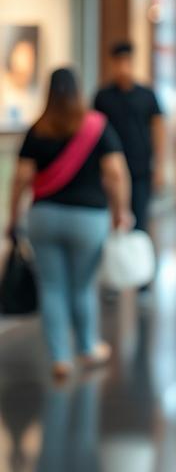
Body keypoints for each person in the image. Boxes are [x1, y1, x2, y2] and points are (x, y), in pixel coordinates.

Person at [5, 68, 132, 378]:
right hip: (88, 218)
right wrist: (121, 211)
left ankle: (60, 357)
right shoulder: (96, 127)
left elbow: (21, 177)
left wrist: (12, 216)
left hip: (44, 216)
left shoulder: (38, 129)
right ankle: (88, 347)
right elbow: (115, 174)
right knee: (82, 286)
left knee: (51, 287)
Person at [93, 41, 166, 243]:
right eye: (118, 62)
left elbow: (159, 128)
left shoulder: (146, 95)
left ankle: (138, 265)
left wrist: (159, 165)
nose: (122, 67)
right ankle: (116, 265)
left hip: (140, 167)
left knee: (140, 220)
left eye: (126, 61)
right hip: (111, 167)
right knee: (114, 218)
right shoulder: (103, 96)